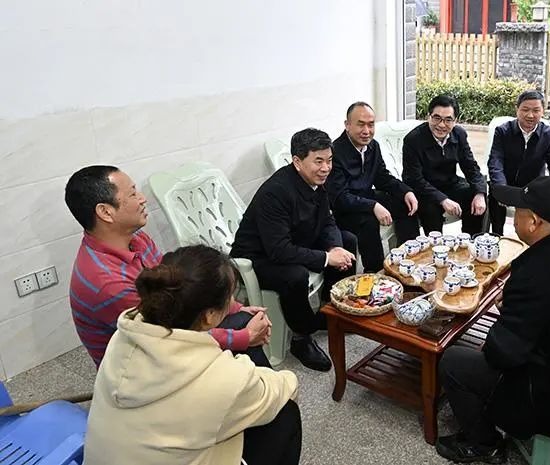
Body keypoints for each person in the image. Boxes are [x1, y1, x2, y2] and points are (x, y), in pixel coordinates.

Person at [436, 177, 550, 463]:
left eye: (517, 212)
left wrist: (498, 329)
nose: (513, 218)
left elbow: (503, 354)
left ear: (533, 222)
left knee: (453, 360)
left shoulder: (535, 272)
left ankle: (484, 444)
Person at [83, 245, 301, 465]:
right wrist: (243, 369)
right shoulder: (223, 379)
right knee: (285, 414)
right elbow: (285, 387)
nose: (233, 303)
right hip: (221, 398)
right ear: (209, 315)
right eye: (230, 297)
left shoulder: (122, 337)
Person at [65, 166, 271, 368]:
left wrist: (232, 306)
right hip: (142, 364)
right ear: (105, 212)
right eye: (133, 194)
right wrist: (245, 337)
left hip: (162, 331)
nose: (143, 199)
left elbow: (178, 286)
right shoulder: (109, 283)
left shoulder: (136, 239)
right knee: (243, 327)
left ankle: (257, 385)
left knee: (243, 317)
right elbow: (171, 334)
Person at [230, 128, 357, 372]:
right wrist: (326, 258)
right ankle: (302, 337)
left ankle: (331, 312)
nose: (326, 168)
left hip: (294, 239)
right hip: (258, 257)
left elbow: (327, 220)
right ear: (297, 162)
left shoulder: (317, 181)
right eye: (318, 161)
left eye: (329, 160)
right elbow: (279, 250)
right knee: (295, 275)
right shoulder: (276, 192)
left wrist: (335, 247)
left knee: (347, 240)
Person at [327, 102, 419, 272]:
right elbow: (339, 197)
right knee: (368, 222)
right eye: (361, 124)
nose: (366, 131)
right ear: (347, 125)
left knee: (404, 204)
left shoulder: (373, 146)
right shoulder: (335, 152)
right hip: (345, 209)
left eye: (371, 124)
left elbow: (382, 177)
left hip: (367, 197)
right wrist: (373, 206)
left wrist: (405, 191)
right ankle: (375, 272)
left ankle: (408, 258)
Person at [402, 94, 487, 234]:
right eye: (436, 118)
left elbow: (471, 167)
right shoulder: (413, 139)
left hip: (450, 183)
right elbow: (413, 178)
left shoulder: (459, 134)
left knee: (475, 196)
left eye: (448, 120)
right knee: (431, 210)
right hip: (424, 189)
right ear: (428, 117)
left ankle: (470, 241)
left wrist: (480, 193)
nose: (441, 125)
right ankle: (436, 246)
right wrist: (443, 199)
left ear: (455, 121)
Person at [487, 90, 550, 234]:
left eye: (536, 110)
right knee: (494, 192)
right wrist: (502, 188)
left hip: (532, 187)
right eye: (525, 110)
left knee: (549, 202)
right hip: (507, 183)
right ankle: (497, 235)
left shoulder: (549, 134)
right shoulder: (503, 131)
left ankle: (534, 238)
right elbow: (495, 161)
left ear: (543, 111)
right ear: (517, 110)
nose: (530, 115)